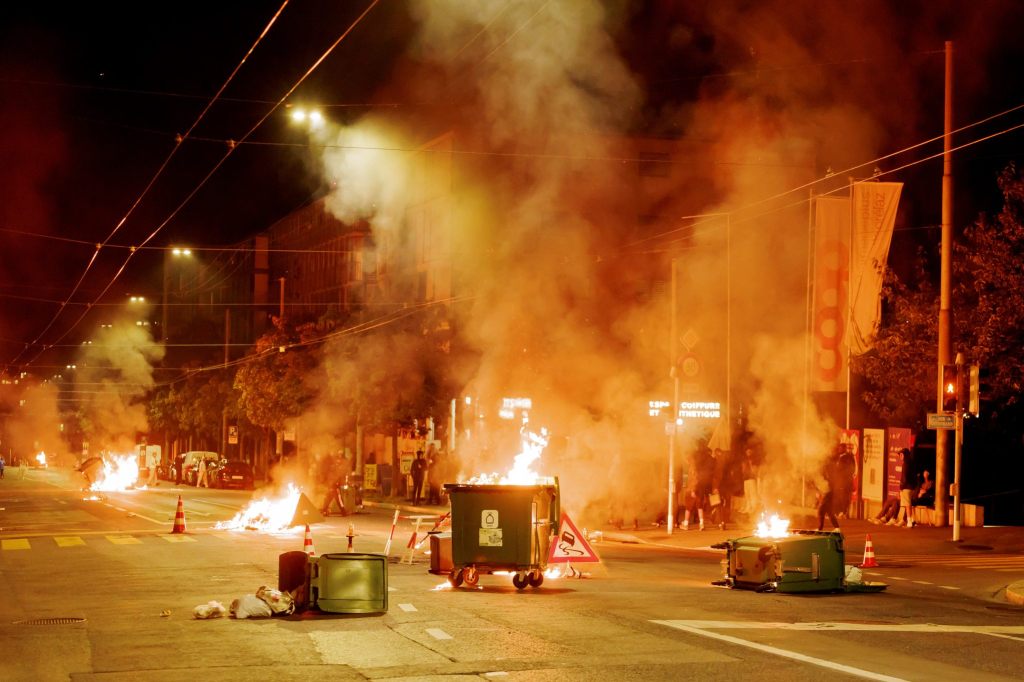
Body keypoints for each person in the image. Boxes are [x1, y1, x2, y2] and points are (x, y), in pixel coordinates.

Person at [894, 448, 917, 527]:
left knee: (907, 505)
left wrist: (901, 487)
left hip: (906, 487)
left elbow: (904, 477)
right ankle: (912, 520)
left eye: (901, 454)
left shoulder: (905, 464)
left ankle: (909, 522)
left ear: (905, 455)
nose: (900, 456)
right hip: (911, 487)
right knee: (909, 504)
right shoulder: (912, 463)